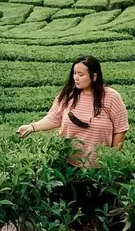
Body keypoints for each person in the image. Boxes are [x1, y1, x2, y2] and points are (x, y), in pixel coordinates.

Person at [16, 55, 129, 227]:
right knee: (74, 215)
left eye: (81, 74)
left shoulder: (111, 97)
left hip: (99, 169)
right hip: (70, 166)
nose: (76, 77)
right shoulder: (68, 95)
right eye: (75, 73)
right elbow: (54, 118)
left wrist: (111, 160)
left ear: (94, 76)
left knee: (104, 217)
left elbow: (121, 129)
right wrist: (32, 127)